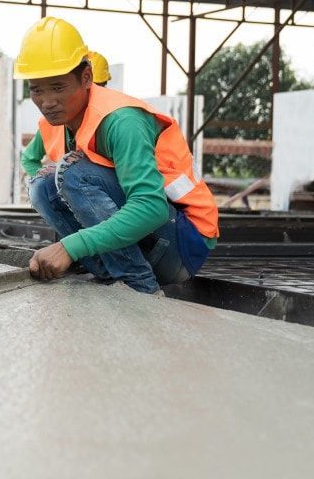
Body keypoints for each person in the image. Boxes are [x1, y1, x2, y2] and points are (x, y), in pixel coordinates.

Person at [17, 17, 219, 294]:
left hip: (183, 243)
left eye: (58, 87)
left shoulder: (122, 122)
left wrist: (69, 247)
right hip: (150, 242)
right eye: (37, 90)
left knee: (72, 172)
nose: (47, 101)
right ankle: (108, 276)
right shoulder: (65, 122)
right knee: (41, 186)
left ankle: (139, 287)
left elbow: (152, 208)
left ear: (86, 77)